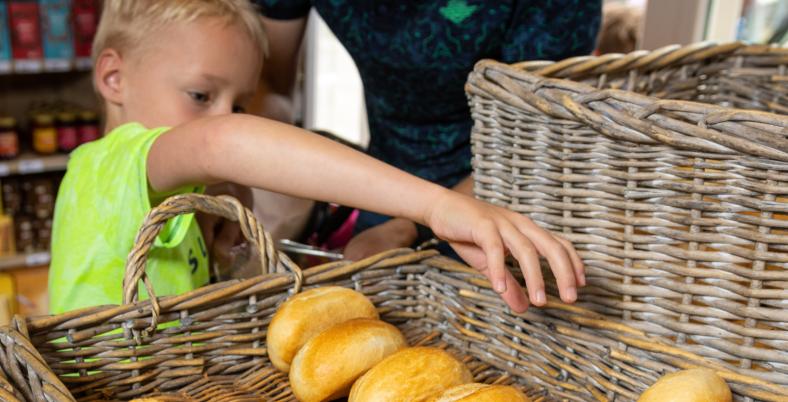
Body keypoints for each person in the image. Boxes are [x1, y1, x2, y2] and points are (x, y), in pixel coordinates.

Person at [48, 0, 585, 317]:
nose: (222, 116)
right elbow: (222, 142)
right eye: (200, 96)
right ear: (113, 78)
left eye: (237, 102)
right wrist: (435, 206)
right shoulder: (112, 163)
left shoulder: (163, 186)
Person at [251, 0, 602, 259]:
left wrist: (412, 225)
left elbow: (537, 136)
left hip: (507, 191)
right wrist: (261, 202)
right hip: (384, 186)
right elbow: (269, 85)